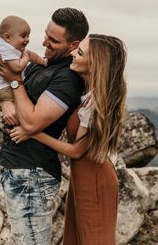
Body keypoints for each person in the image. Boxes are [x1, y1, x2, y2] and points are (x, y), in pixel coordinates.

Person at [10, 34, 127, 245]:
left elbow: (76, 151)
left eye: (79, 52)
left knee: (94, 238)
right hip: (83, 175)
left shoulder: (96, 104)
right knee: (77, 237)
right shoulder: (88, 93)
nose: (72, 52)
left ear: (95, 64)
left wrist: (33, 131)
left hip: (95, 179)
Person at [0, 8, 89, 245]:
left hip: (33, 174)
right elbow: (4, 94)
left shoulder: (67, 77)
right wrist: (5, 104)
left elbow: (32, 121)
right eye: (46, 34)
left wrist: (15, 81)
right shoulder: (40, 64)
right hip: (17, 169)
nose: (44, 42)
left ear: (73, 44)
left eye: (54, 40)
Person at [0, 15, 47, 103]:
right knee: (25, 100)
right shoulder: (5, 49)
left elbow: (31, 55)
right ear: (7, 37)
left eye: (28, 36)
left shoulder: (13, 46)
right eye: (23, 36)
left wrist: (43, 62)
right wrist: (26, 58)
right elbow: (17, 67)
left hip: (6, 84)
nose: (27, 40)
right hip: (1, 88)